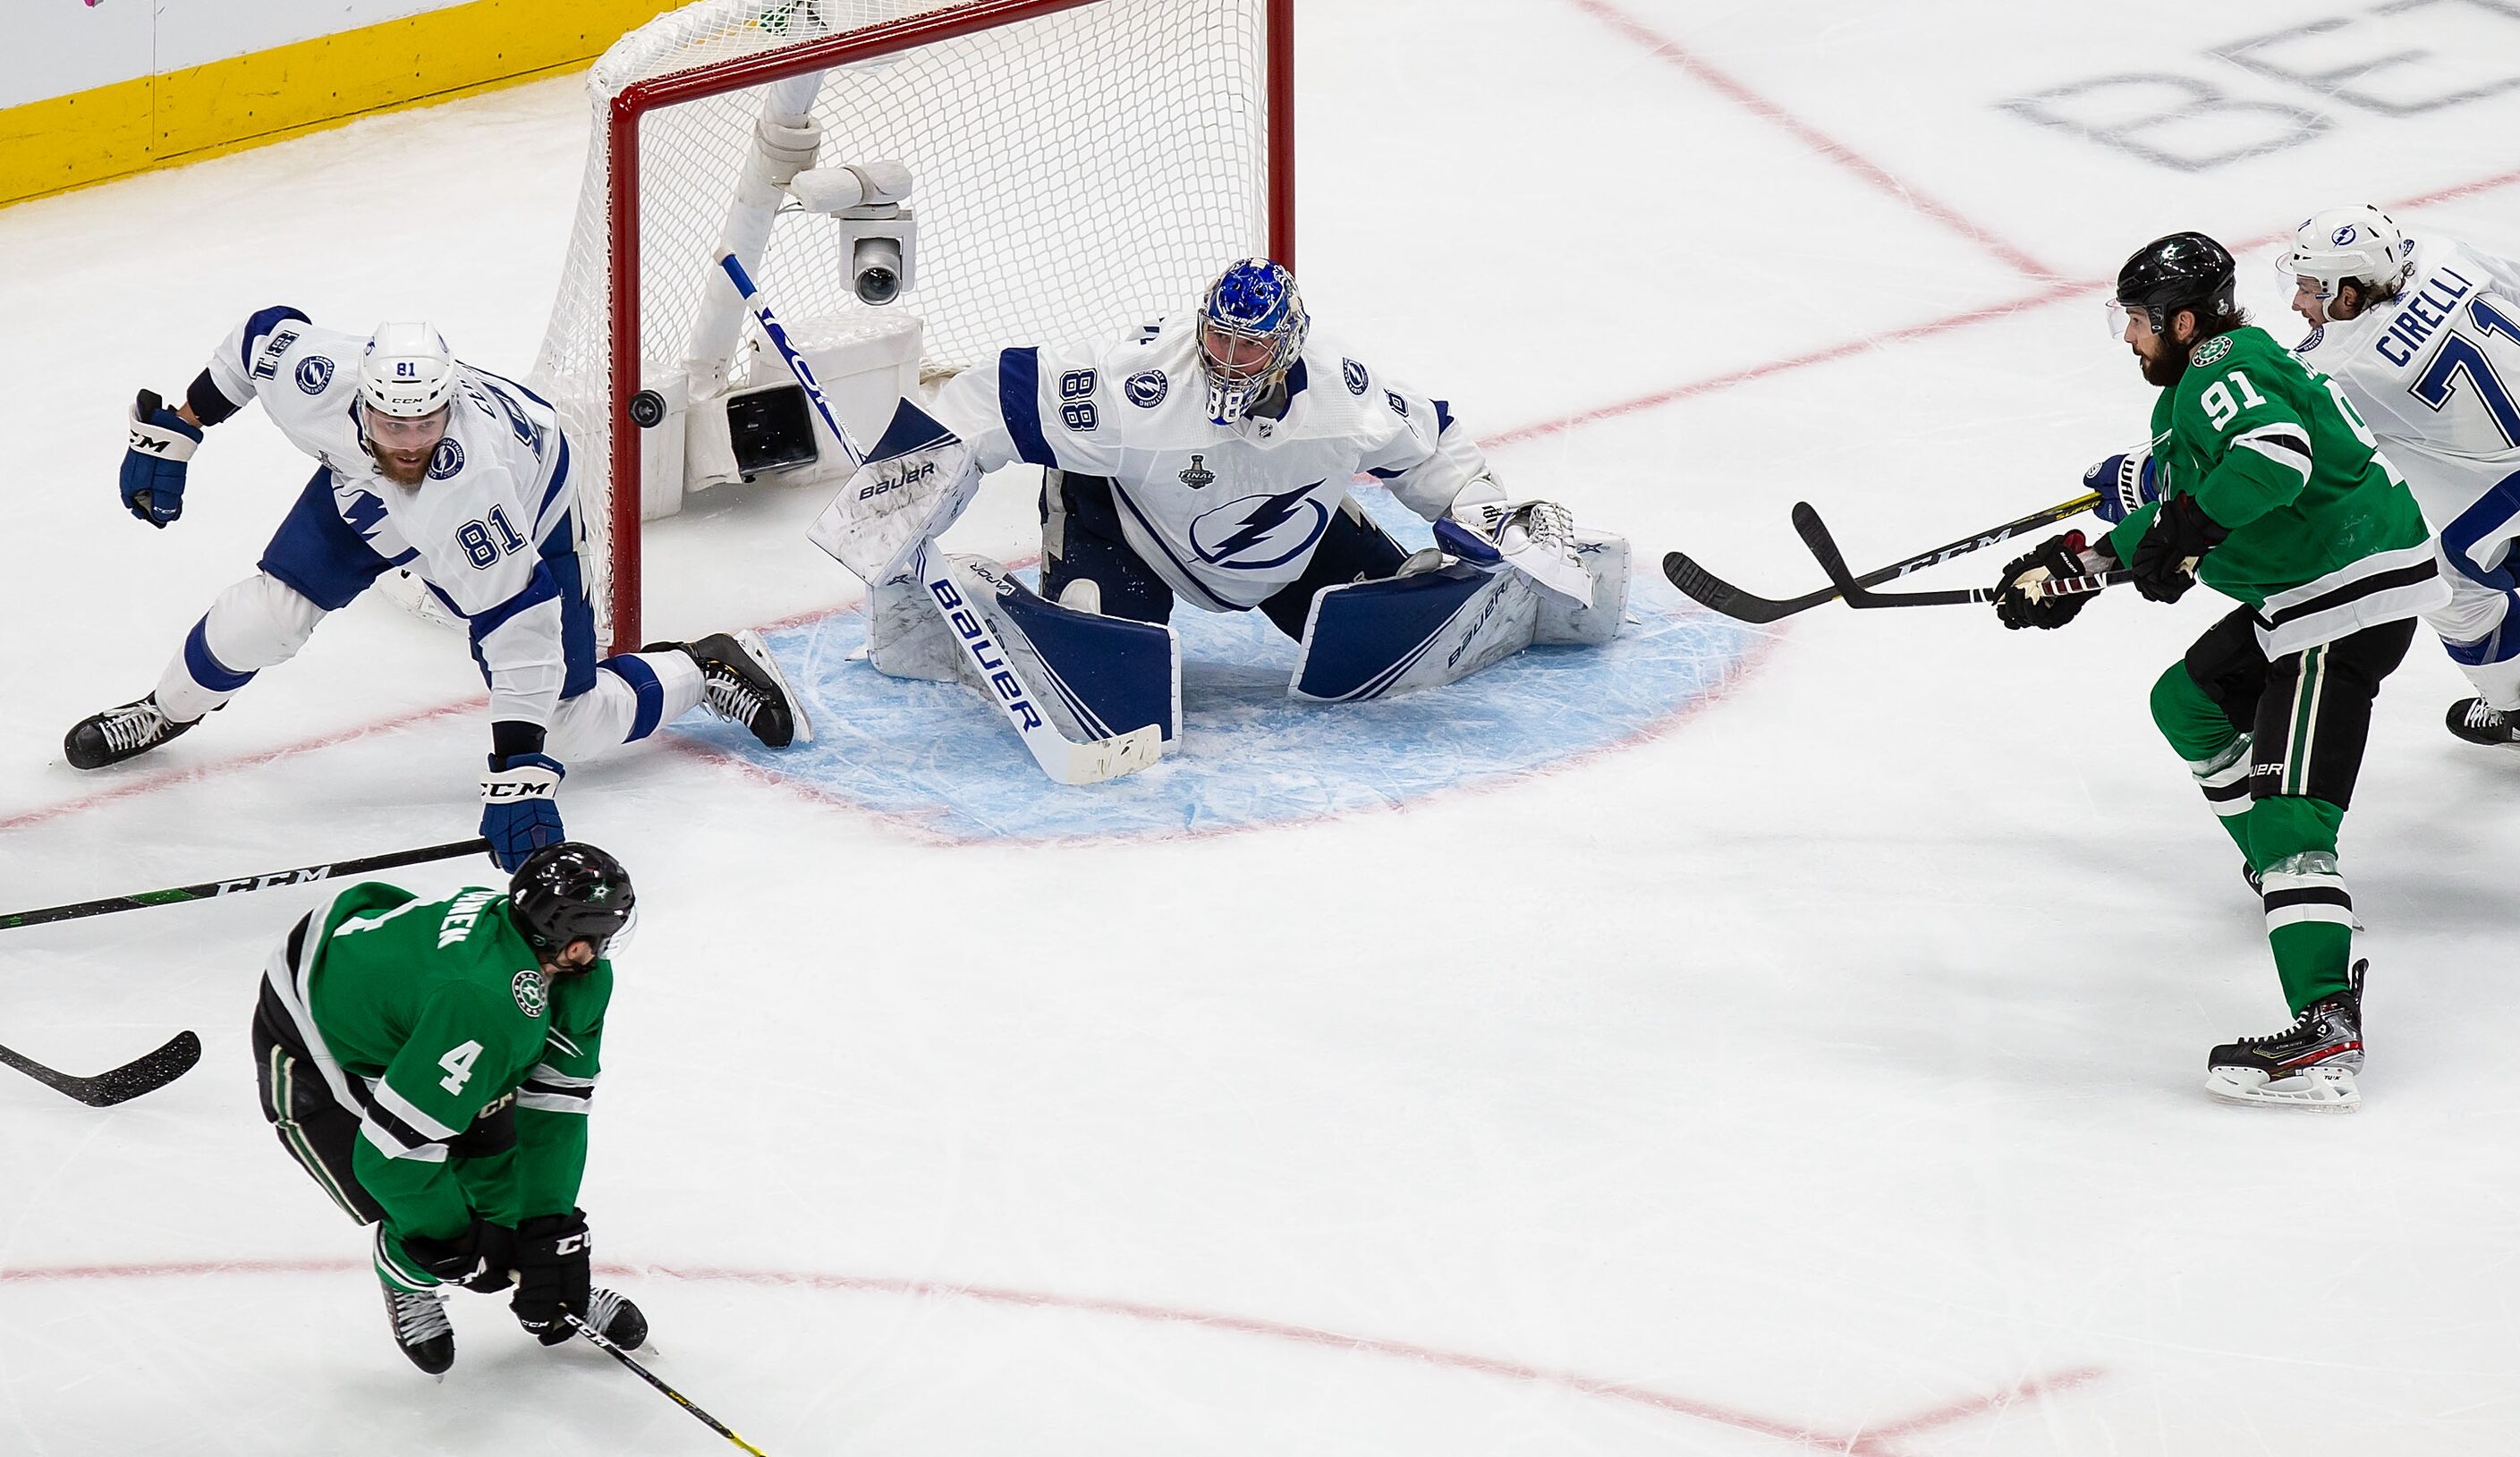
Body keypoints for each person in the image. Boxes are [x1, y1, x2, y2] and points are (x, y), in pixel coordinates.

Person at [75, 310, 808, 869]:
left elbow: (518, 626)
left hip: (536, 509)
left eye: (425, 423)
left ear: (448, 408)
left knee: (571, 725)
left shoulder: (470, 488)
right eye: (392, 422)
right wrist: (181, 426)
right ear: (358, 399)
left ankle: (701, 666)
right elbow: (257, 338)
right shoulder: (320, 380)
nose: (407, 442)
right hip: (356, 491)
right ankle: (161, 711)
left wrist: (521, 769)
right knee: (263, 617)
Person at [1998, 232, 2443, 1110]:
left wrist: (2190, 529)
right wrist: (2074, 570)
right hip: (2310, 593)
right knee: (2188, 701)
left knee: (2292, 818)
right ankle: (2281, 879)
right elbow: (2178, 517)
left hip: (2344, 601)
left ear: (2183, 320)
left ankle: (2325, 1027)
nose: (2129, 338)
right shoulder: (2202, 387)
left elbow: (2275, 461)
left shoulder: (2224, 365)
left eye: (2135, 321)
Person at [868, 258, 1584, 637]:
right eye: (1219, 336)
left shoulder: (1345, 394)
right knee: (1110, 665)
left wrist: (1487, 511)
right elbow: (988, 397)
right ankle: (1013, 612)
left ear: (1289, 345)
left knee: (1396, 632)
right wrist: (894, 504)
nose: (1229, 358)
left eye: (1251, 345)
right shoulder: (1134, 388)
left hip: (1281, 531)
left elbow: (1432, 447)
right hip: (1127, 524)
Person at [253, 842, 645, 1374]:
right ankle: (404, 1271)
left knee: (502, 1184)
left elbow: (556, 1111)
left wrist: (547, 1232)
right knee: (417, 1210)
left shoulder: (572, 979)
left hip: (421, 1001)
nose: (599, 951)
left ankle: (544, 1288)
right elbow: (391, 1160)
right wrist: (461, 1248)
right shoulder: (482, 1001)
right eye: (596, 934)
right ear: (567, 939)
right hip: (316, 1035)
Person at [2260, 207, 2520, 747]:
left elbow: (2269, 436)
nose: (2297, 302)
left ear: (2348, 294)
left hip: (2506, 492)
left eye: (2311, 288)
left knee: (2441, 581)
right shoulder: (2444, 254)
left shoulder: (2341, 365)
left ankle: (2516, 704)